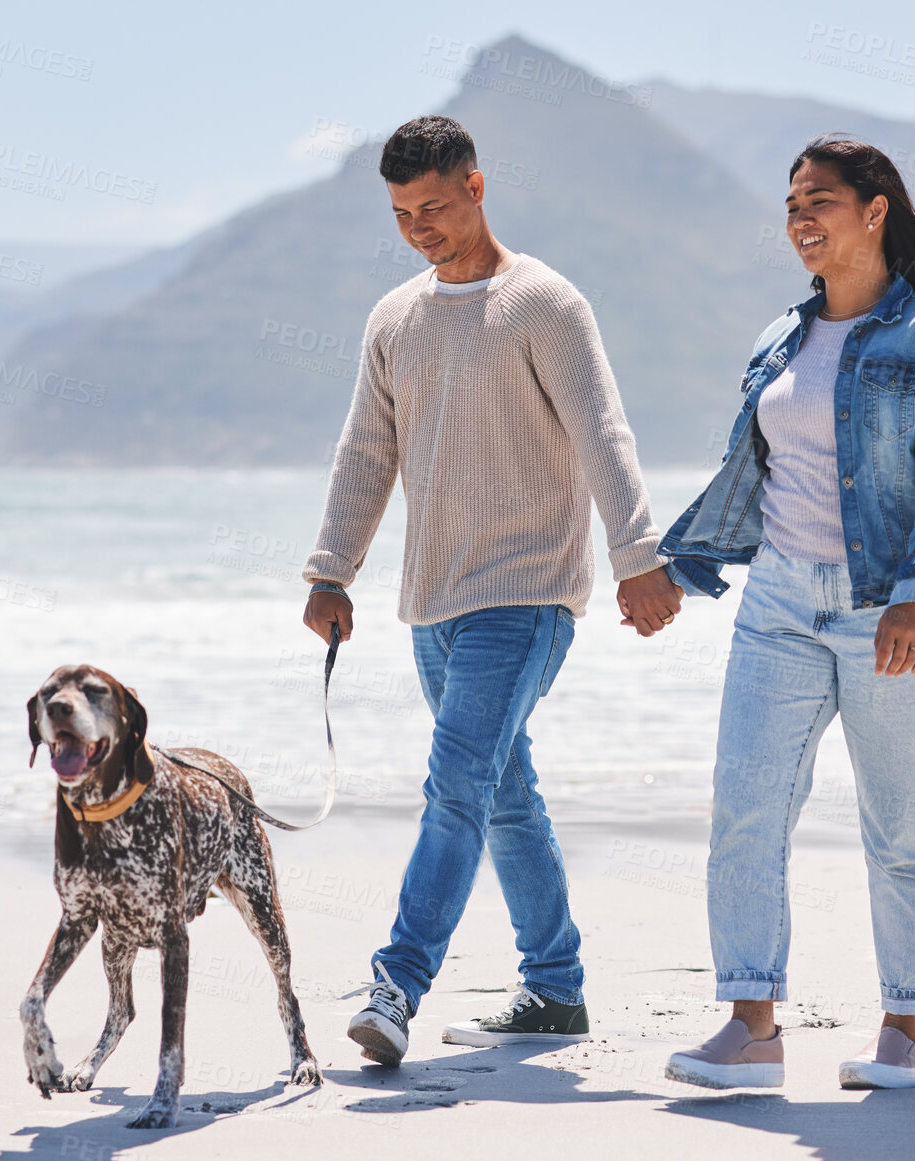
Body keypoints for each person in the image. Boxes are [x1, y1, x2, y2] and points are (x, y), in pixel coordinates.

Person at [299, 115, 681, 1067]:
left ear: (476, 187)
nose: (418, 226)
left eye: (432, 205)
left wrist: (638, 553)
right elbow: (366, 452)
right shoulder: (394, 319)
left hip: (526, 592)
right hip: (431, 603)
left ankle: (396, 982)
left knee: (456, 785)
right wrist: (330, 568)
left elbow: (604, 431)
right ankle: (554, 990)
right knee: (504, 795)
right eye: (399, 213)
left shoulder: (543, 304)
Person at [660, 135, 915, 1091]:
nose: (801, 218)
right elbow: (751, 477)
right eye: (792, 202)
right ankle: (752, 1026)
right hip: (777, 603)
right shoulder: (779, 336)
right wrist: (678, 571)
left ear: (873, 210)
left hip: (890, 609)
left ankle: (906, 1032)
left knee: (899, 826)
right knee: (746, 810)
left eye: (821, 201)